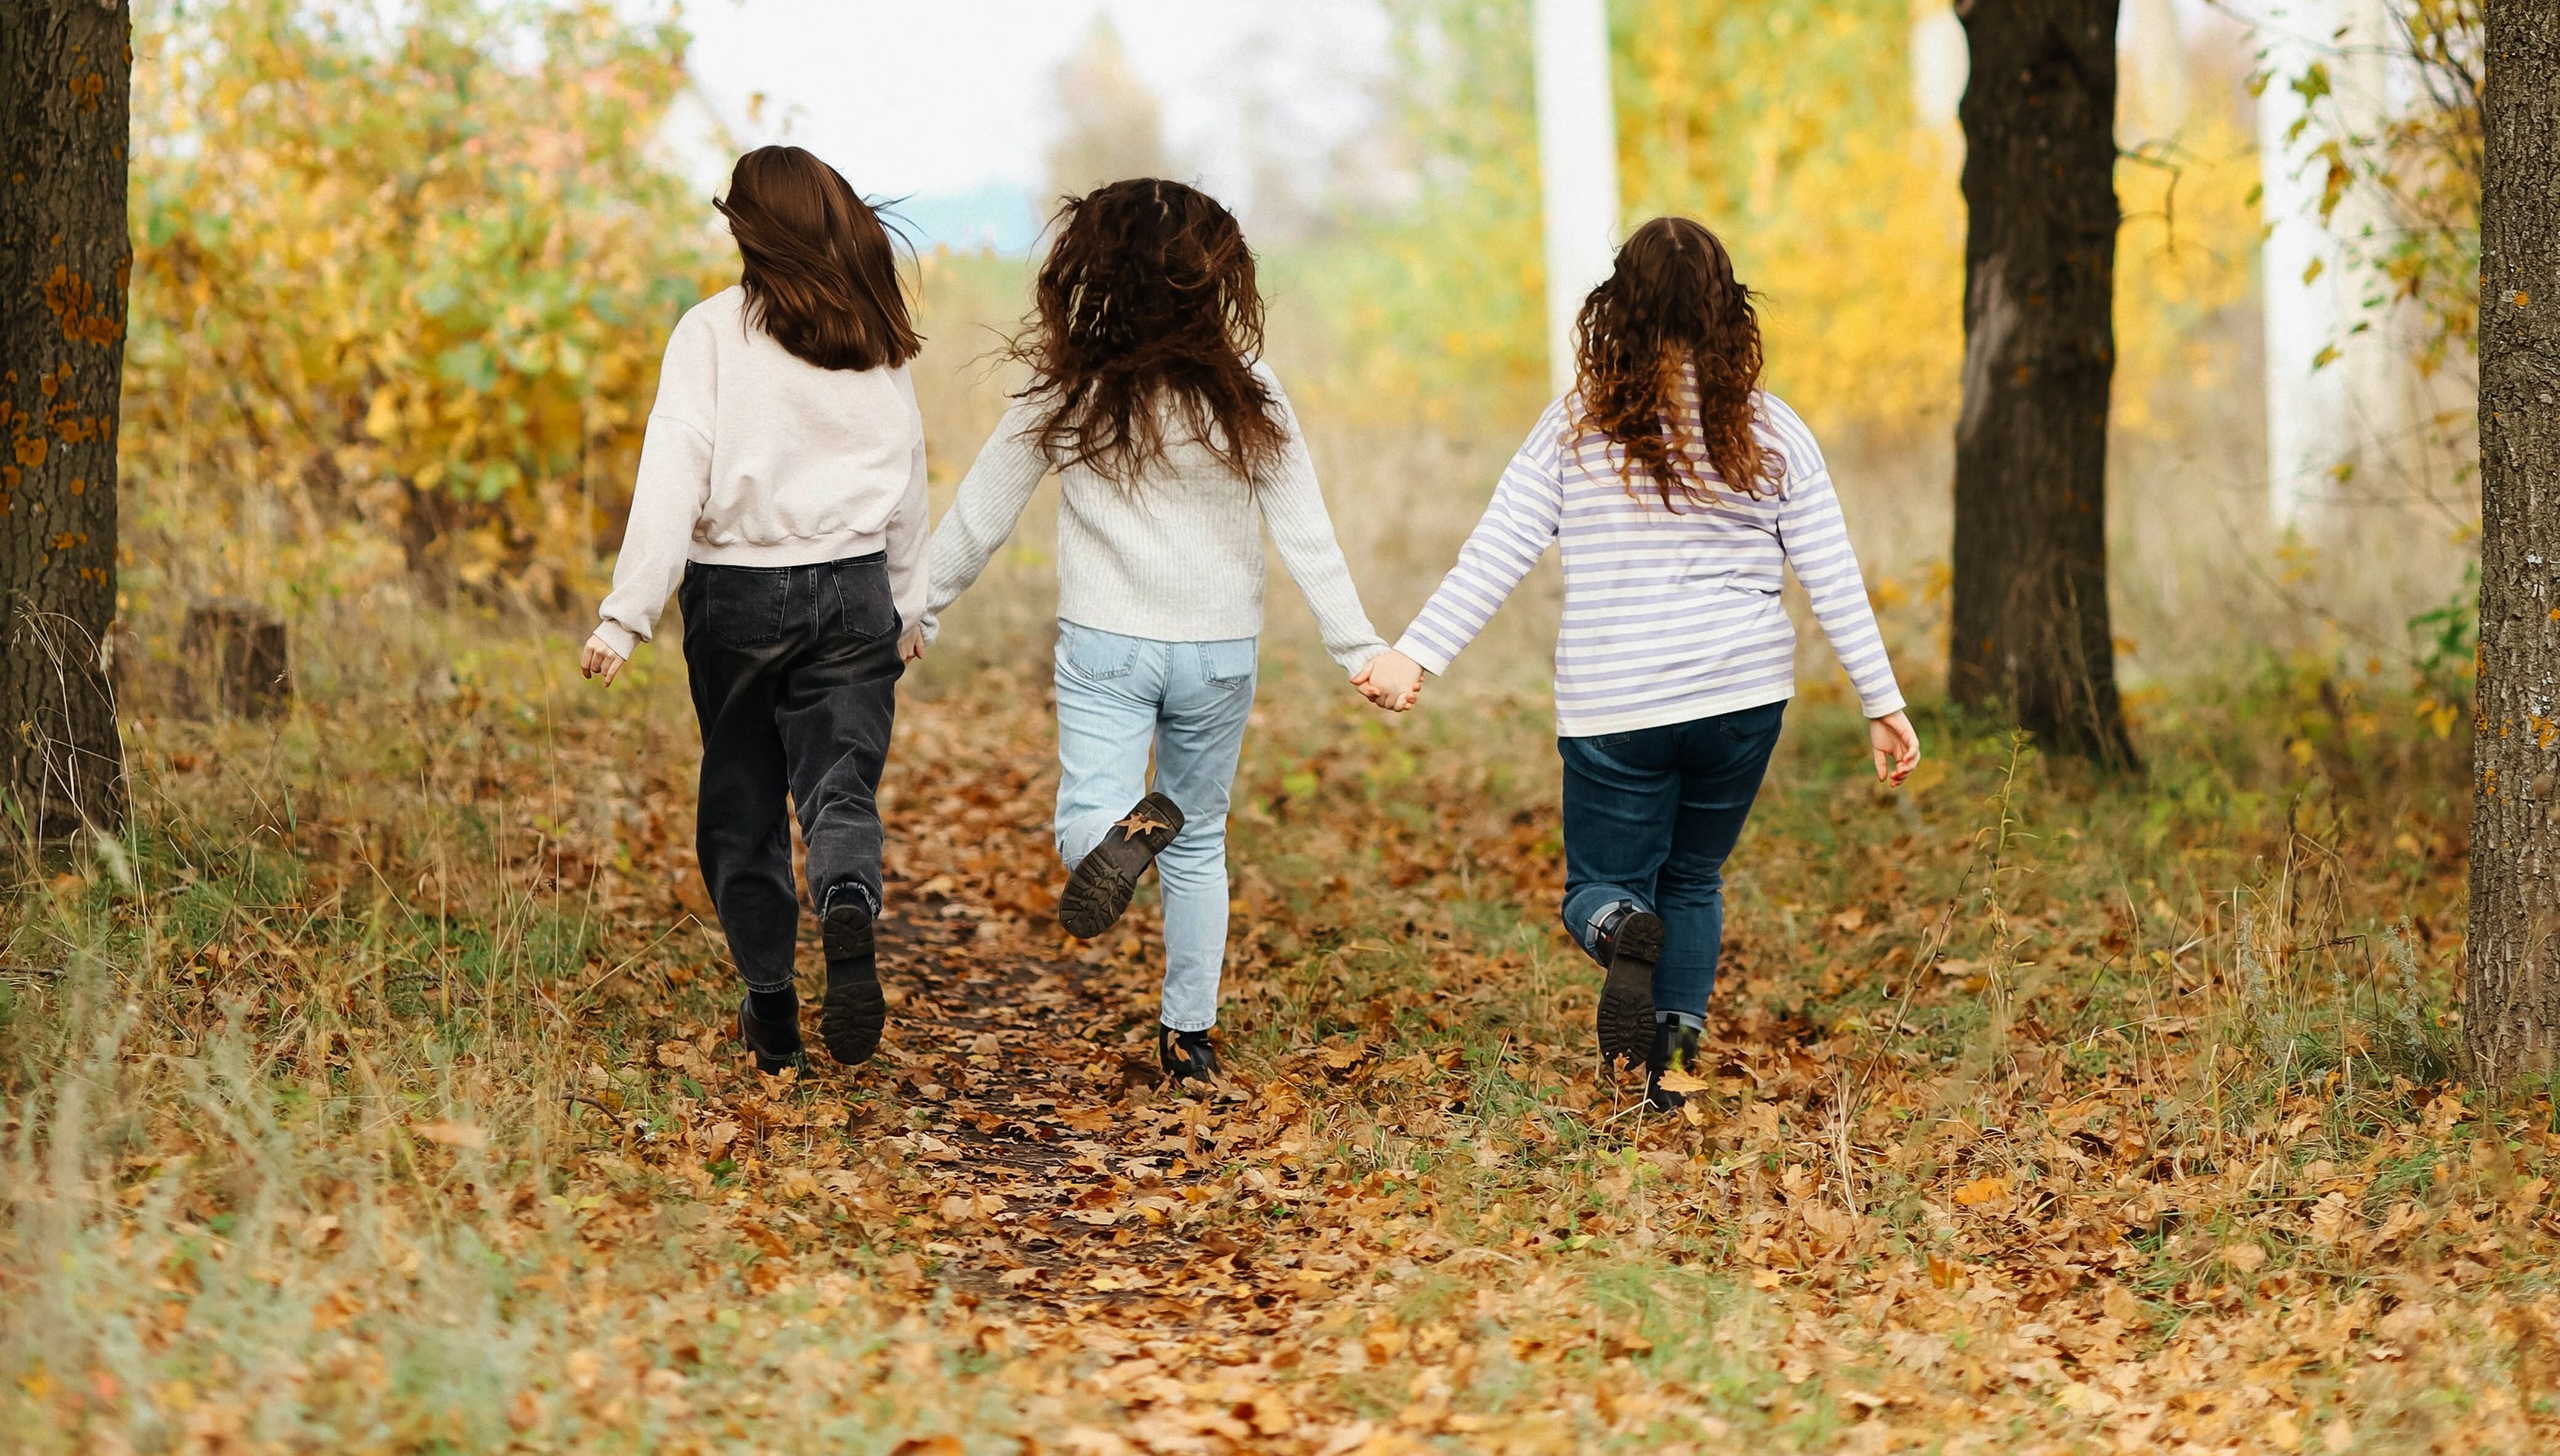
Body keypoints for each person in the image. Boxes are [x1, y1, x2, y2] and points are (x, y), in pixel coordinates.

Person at [1355, 215, 1918, 1109]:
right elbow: (1833, 577)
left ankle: (1620, 928)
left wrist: (1415, 654)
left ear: (1616, 310)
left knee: (1602, 886)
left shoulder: (1575, 429)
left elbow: (1497, 549)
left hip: (1619, 701)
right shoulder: (1773, 432)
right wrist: (1882, 702)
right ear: (1729, 311)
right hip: (1740, 698)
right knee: (1695, 874)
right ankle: (1673, 1068)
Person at [926, 177, 1385, 1089]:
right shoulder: (1250, 392)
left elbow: (983, 512)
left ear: (1094, 271)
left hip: (1109, 641)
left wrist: (920, 607)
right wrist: (1359, 647)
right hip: (1218, 650)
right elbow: (1307, 532)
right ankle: (1189, 1039)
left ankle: (1118, 833)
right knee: (1202, 839)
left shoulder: (1071, 384)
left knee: (1085, 818)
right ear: (1216, 278)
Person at [580, 146, 929, 1077]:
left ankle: (772, 1011)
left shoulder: (709, 334)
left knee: (742, 795)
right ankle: (847, 893)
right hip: (856, 588)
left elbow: (672, 472)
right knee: (839, 784)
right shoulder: (872, 335)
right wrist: (910, 601)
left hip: (736, 594)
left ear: (746, 229)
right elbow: (908, 476)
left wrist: (627, 614)